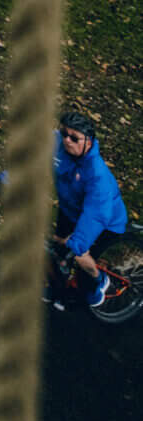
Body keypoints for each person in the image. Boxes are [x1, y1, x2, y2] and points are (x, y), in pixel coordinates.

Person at [55, 110, 128, 306]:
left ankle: (97, 284)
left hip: (105, 222)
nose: (67, 140)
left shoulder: (97, 175)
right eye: (64, 134)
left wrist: (78, 243)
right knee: (57, 251)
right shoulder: (58, 146)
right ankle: (57, 288)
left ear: (88, 141)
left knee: (80, 257)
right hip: (71, 211)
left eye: (74, 138)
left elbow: (96, 214)